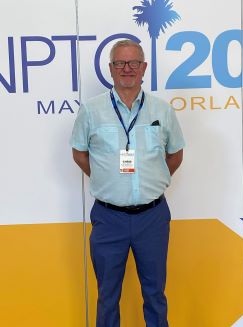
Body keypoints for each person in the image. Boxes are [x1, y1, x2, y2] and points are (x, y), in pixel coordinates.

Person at [70, 39, 185, 327]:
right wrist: (104, 179)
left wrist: (154, 181)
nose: (127, 69)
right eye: (120, 63)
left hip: (153, 217)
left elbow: (176, 153)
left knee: (155, 294)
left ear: (144, 67)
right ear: (110, 69)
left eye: (134, 62)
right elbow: (79, 153)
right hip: (109, 218)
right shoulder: (91, 110)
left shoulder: (162, 110)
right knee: (107, 296)